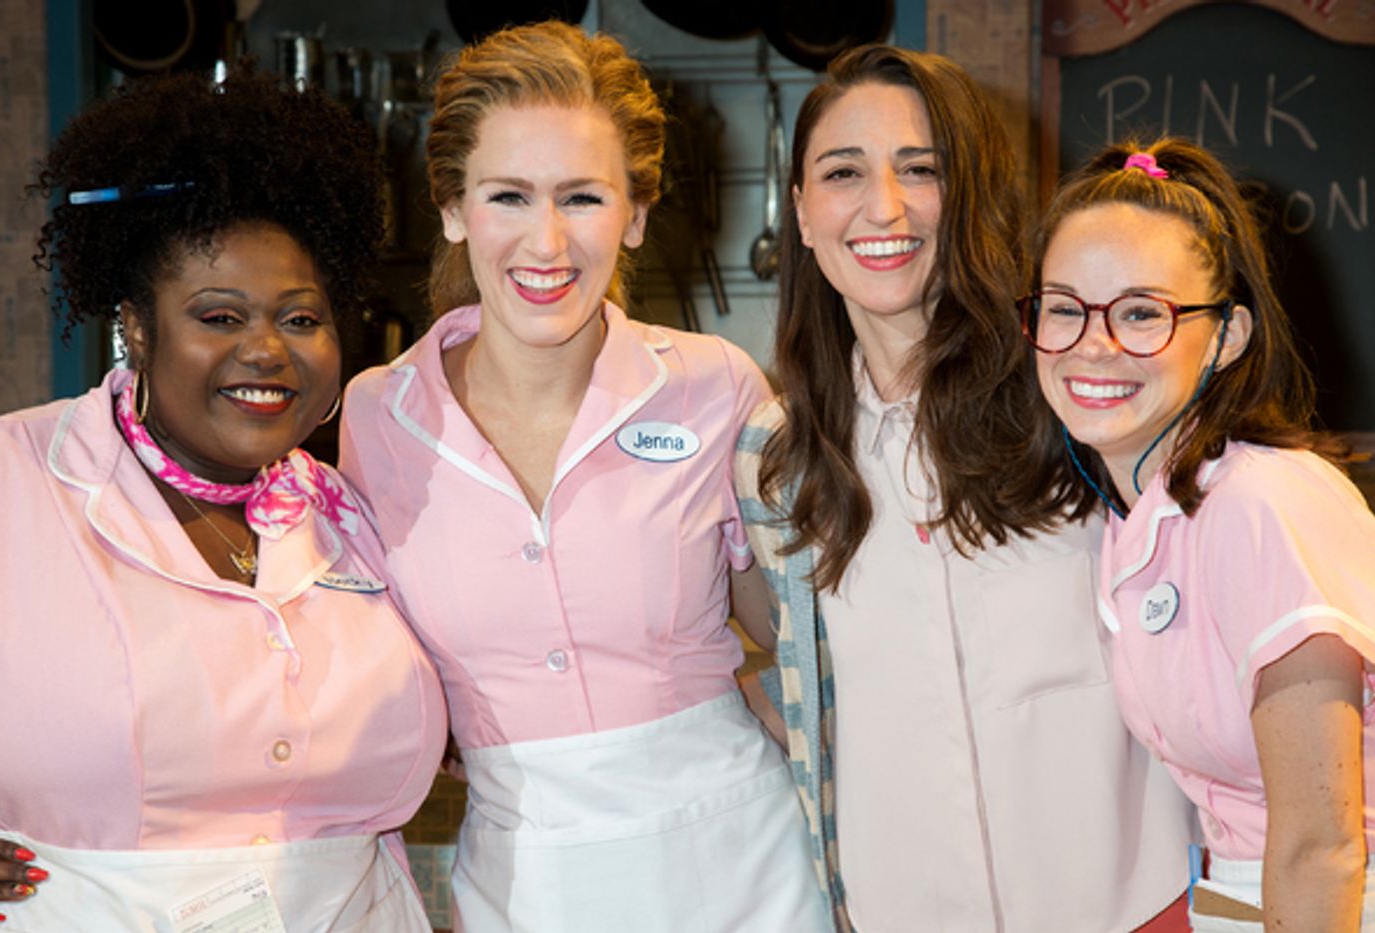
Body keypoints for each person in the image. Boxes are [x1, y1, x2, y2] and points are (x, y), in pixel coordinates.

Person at [337, 20, 825, 933]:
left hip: (743, 863)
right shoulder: (375, 415)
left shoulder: (715, 387)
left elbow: (797, 627)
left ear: (635, 214)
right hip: (524, 880)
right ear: (452, 206)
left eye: (585, 197)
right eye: (509, 196)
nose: (547, 240)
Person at [733, 45, 1197, 932]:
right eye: (843, 172)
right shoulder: (780, 460)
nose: (885, 207)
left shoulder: (1077, 399)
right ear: (800, 210)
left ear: (972, 190)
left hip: (1137, 906)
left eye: (922, 168)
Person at [0, 66, 446, 930]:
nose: (267, 349)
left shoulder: (361, 515)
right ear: (139, 326)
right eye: (220, 317)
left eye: (300, 319)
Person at [1022, 137, 1375, 930]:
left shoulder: (1262, 502)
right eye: (1064, 307)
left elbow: (1322, 847)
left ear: (1228, 337)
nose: (1094, 342)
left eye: (1143, 312)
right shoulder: (1141, 514)